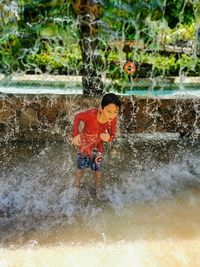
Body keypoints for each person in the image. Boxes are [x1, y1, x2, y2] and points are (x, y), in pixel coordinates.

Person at [72, 93, 121, 193]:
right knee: (80, 169)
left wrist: (109, 138)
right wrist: (76, 134)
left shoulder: (112, 120)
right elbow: (77, 117)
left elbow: (112, 135)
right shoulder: (91, 115)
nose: (112, 115)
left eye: (115, 112)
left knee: (98, 171)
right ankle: (76, 187)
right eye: (109, 111)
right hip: (85, 146)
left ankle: (98, 190)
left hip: (98, 146)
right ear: (101, 109)